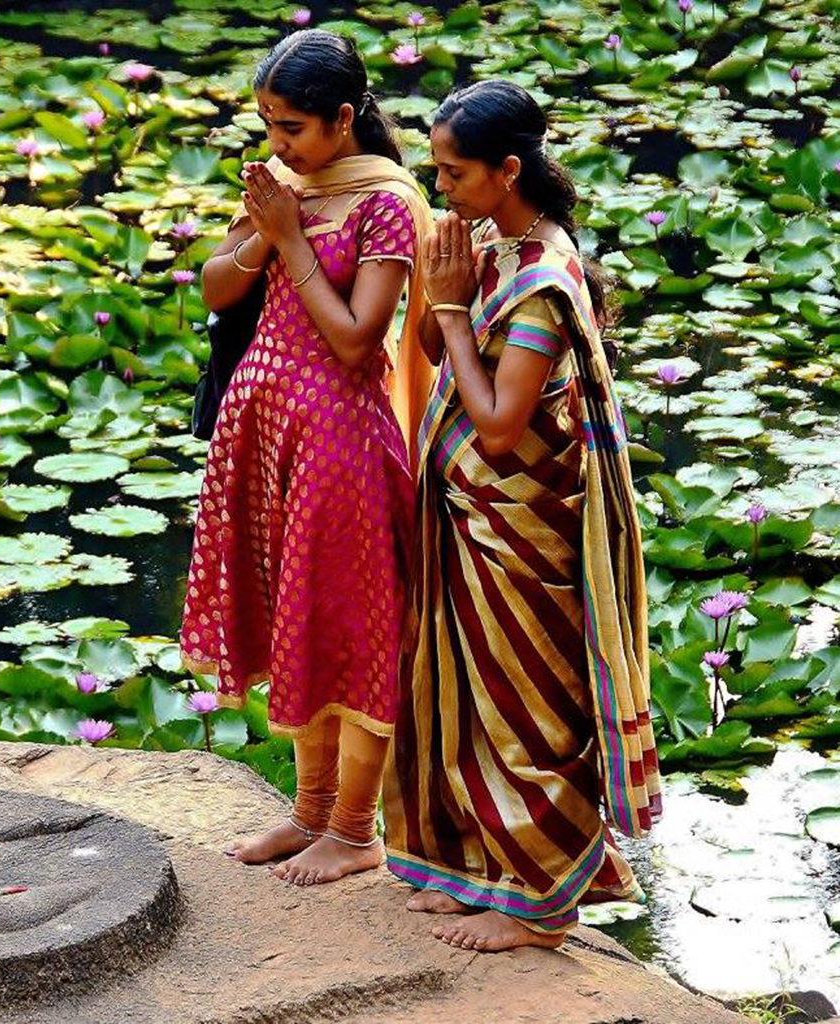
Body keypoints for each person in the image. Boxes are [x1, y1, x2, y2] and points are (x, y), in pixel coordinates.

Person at [382, 80, 661, 951]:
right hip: (467, 516)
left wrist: (458, 310)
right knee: (467, 694)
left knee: (528, 704)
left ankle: (544, 904)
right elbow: (434, 351)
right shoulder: (493, 245)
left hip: (520, 521)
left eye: (454, 173)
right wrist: (441, 295)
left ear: (508, 171)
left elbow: (501, 427)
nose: (441, 189)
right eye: (435, 170)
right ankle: (482, 867)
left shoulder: (543, 279)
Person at [180, 29, 434, 886]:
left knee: (347, 628)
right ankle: (307, 813)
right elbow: (217, 289)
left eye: (290, 127)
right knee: (292, 619)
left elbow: (361, 341)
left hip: (338, 438)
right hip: (263, 433)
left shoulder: (385, 201)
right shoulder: (286, 185)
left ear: (340, 118)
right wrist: (262, 232)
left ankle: (356, 829)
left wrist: (289, 236)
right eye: (267, 125)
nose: (276, 144)